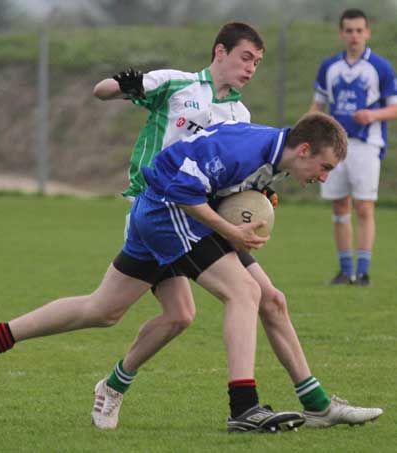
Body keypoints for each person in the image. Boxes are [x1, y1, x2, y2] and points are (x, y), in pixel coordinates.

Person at [0, 113, 345, 433]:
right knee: (245, 292)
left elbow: (222, 183)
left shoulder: (273, 151)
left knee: (115, 311)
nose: (324, 177)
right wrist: (231, 231)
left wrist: (255, 198)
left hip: (158, 212)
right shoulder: (245, 147)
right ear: (305, 149)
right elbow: (183, 190)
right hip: (167, 212)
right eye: (324, 167)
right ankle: (243, 407)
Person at [92, 22, 383, 429]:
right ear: (220, 52)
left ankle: (315, 403)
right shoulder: (179, 84)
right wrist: (120, 86)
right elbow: (107, 93)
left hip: (202, 213)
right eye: (246, 57)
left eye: (258, 62)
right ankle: (236, 406)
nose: (251, 68)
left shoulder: (240, 114)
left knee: (267, 300)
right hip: (164, 208)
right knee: (130, 311)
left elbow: (231, 173)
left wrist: (256, 197)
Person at [309, 8, 397, 286]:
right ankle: (345, 270)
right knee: (340, 206)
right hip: (335, 147)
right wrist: (305, 130)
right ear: (341, 33)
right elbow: (318, 105)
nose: (354, 36)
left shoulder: (380, 67)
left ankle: (364, 271)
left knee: (364, 207)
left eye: (359, 30)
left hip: (366, 144)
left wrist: (372, 115)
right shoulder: (329, 67)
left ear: (367, 33)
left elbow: (394, 107)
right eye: (349, 30)